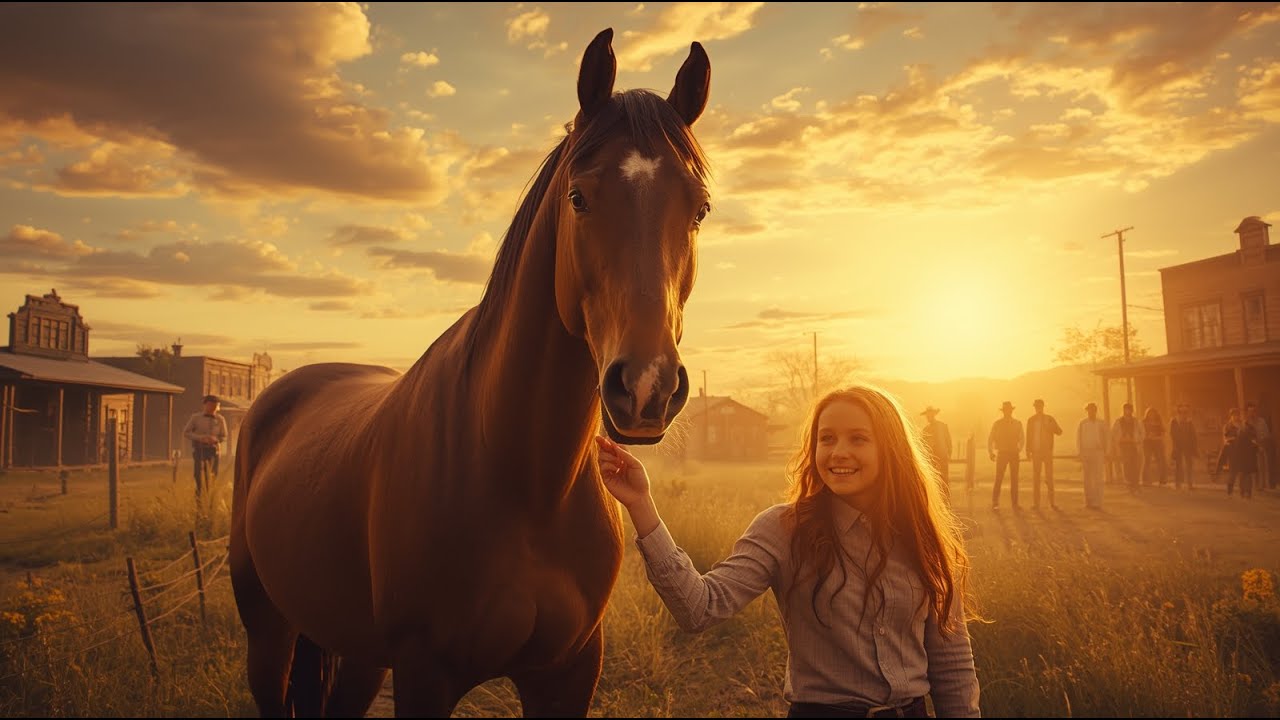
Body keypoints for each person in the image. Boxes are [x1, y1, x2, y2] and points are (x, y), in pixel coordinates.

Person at [596, 385, 981, 718]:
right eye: (826, 438)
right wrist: (641, 504)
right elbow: (700, 608)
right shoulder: (784, 529)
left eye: (858, 439)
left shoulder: (920, 535)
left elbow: (952, 663)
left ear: (891, 450)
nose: (838, 452)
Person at [182, 394, 227, 499]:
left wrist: (216, 439)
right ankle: (198, 499)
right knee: (198, 475)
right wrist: (200, 438)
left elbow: (224, 436)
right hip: (199, 449)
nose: (213, 408)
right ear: (205, 405)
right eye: (210, 405)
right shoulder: (195, 417)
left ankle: (210, 499)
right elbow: (186, 432)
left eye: (215, 406)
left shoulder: (220, 419)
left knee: (212, 476)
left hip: (214, 450)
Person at [1025, 399, 1063, 510]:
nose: (1038, 408)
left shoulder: (1049, 419)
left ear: (1043, 407)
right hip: (1036, 451)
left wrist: (1051, 427)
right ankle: (1036, 504)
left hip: (1047, 451)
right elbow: (1029, 436)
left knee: (1049, 477)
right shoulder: (1031, 420)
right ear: (1035, 407)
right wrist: (1028, 450)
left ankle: (1052, 502)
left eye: (1039, 406)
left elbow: (1059, 432)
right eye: (1036, 406)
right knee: (1036, 478)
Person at [988, 401, 1023, 510]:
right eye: (1005, 410)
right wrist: (991, 451)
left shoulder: (1017, 423)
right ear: (1003, 411)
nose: (1007, 412)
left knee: (1014, 479)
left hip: (1013, 453)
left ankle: (1015, 503)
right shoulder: (997, 424)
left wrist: (1019, 449)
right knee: (999, 477)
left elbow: (1022, 438)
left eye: (1009, 410)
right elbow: (991, 438)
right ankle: (995, 502)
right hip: (1002, 453)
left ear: (1011, 411)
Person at [1077, 402, 1108, 510]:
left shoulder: (1101, 423)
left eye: (1092, 410)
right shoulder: (1083, 423)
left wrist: (1106, 452)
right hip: (1086, 452)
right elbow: (1079, 439)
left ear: (1095, 411)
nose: (1090, 412)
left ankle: (1098, 502)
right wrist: (1080, 453)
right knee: (1087, 478)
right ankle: (1088, 501)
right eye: (1088, 410)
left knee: (1098, 477)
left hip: (1098, 452)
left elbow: (1106, 438)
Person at [921, 406, 953, 501]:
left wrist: (949, 453)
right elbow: (923, 443)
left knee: (944, 478)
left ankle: (945, 499)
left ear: (933, 415)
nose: (928, 417)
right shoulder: (926, 429)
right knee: (934, 479)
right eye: (927, 415)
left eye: (929, 415)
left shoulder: (942, 426)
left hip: (942, 456)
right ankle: (936, 499)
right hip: (932, 458)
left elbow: (948, 441)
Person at [1110, 403, 1143, 493]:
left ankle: (1135, 484)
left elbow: (1142, 433)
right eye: (1126, 409)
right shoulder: (1119, 421)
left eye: (1130, 409)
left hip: (1134, 445)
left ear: (1132, 411)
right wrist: (1121, 438)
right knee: (1126, 465)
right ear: (1124, 410)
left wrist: (1135, 439)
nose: (1128, 411)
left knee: (1135, 465)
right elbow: (1113, 433)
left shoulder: (1136, 421)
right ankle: (1129, 484)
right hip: (1123, 446)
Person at [1168, 404, 1197, 490]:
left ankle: (1190, 483)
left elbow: (1193, 435)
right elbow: (1172, 434)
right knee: (1178, 465)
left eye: (1185, 412)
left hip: (1188, 446)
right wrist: (1174, 446)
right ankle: (1178, 483)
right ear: (1178, 413)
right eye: (1181, 412)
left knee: (1189, 465)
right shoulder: (1174, 421)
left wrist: (1194, 447)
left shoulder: (1189, 422)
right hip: (1178, 446)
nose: (1184, 414)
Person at [1244, 402, 1272, 491]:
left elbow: (1267, 433)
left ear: (1256, 411)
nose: (1252, 413)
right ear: (1247, 412)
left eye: (1253, 411)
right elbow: (1245, 436)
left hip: (1262, 445)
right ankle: (1256, 486)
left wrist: (1262, 444)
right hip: (1251, 448)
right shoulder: (1246, 423)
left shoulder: (1261, 421)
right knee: (1254, 467)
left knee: (1263, 466)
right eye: (1250, 411)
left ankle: (1264, 485)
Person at [1140, 407, 1167, 486]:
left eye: (1153, 413)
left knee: (1161, 460)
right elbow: (1140, 432)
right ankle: (1145, 480)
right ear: (1146, 414)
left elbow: (1163, 432)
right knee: (1147, 460)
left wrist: (1157, 437)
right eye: (1149, 413)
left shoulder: (1159, 421)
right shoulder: (1143, 422)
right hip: (1147, 443)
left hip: (1158, 443)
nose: (1151, 415)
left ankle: (1163, 480)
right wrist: (1147, 436)